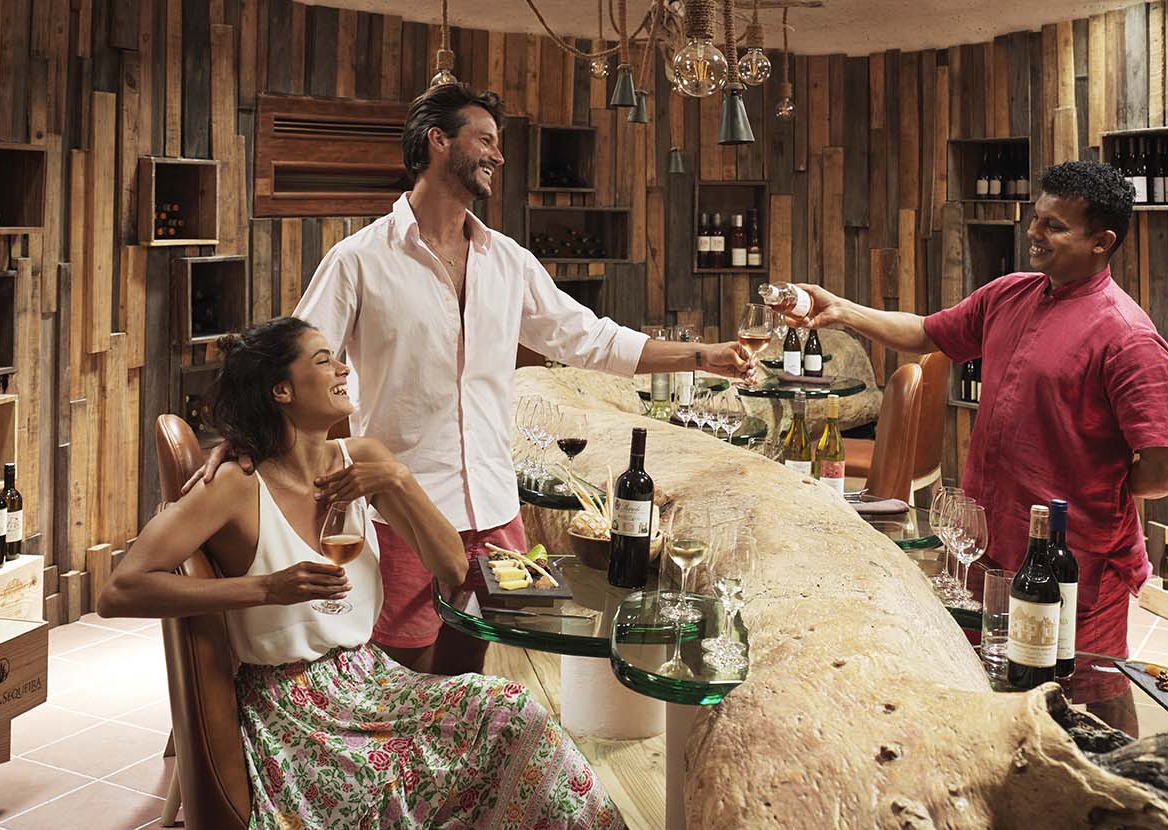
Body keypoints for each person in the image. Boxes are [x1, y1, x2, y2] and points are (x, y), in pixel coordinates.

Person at [104, 317, 676, 830]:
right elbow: (119, 590)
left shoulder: (361, 461)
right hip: (295, 714)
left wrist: (396, 481)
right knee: (479, 742)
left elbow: (452, 567)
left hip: (371, 681)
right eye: (324, 360)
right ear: (282, 390)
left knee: (513, 712)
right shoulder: (235, 485)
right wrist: (264, 588)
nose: (342, 368)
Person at [192, 83, 755, 676]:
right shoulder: (358, 259)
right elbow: (291, 360)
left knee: (470, 667)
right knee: (401, 671)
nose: (498, 155)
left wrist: (702, 356)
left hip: (493, 506)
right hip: (402, 513)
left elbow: (590, 338)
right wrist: (245, 437)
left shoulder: (508, 261)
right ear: (438, 141)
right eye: (484, 140)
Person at [781, 160, 1168, 735]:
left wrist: (1095, 492)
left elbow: (1167, 470)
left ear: (1102, 242)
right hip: (990, 542)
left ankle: (1122, 780)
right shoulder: (1008, 294)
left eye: (1054, 227)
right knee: (996, 679)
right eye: (1036, 219)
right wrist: (843, 311)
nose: (1034, 233)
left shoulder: (1129, 337)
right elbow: (924, 332)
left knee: (1092, 688)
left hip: (1076, 558)